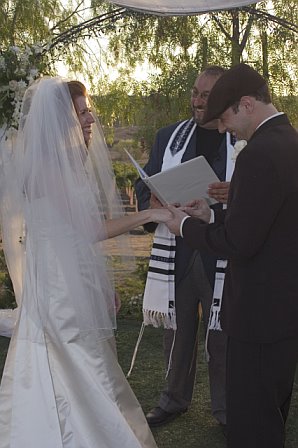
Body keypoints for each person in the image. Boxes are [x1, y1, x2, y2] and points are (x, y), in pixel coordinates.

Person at [0, 77, 170, 448]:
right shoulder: (49, 167)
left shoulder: (61, 162)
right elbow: (90, 230)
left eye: (88, 109)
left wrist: (100, 286)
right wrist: (148, 216)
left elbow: (76, 241)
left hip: (68, 276)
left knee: (73, 362)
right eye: (81, 112)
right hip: (58, 287)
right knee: (76, 361)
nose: (90, 117)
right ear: (62, 120)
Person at [161, 63, 298, 448]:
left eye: (224, 118)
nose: (223, 129)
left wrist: (185, 227)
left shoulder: (258, 154)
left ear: (248, 104)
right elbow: (268, 220)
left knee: (251, 427)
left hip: (256, 316)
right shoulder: (290, 142)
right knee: (271, 415)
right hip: (283, 314)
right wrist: (213, 213)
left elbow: (239, 243)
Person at [135, 66, 235, 428]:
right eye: (195, 92)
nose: (197, 100)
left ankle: (226, 410)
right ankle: (173, 399)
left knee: (224, 335)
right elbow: (143, 183)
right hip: (175, 250)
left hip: (219, 253)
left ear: (225, 98)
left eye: (206, 95)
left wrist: (224, 203)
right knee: (175, 332)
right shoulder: (168, 137)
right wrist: (153, 197)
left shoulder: (241, 141)